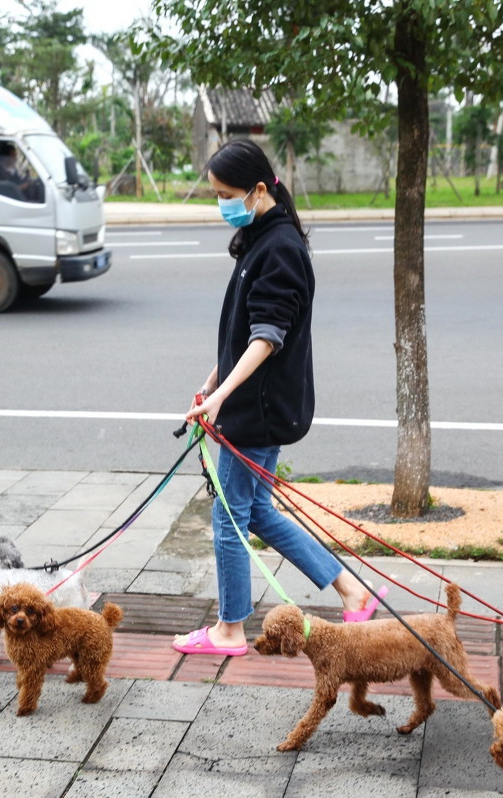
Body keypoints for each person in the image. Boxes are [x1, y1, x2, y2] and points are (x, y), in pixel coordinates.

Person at [173, 139, 384, 657]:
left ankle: (229, 629)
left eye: (225, 193)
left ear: (259, 190)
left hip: (260, 411)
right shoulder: (260, 236)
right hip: (254, 403)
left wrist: (221, 395)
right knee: (256, 511)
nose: (220, 203)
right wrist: (211, 382)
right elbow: (243, 333)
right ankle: (351, 588)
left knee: (229, 515)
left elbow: (267, 337)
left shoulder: (281, 248)